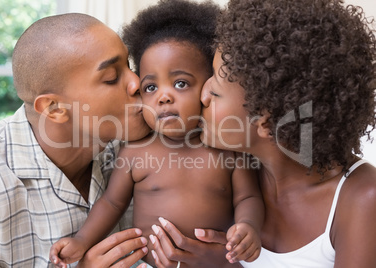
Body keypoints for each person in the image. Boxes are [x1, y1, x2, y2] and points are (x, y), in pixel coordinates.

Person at [49, 1, 264, 267]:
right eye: (150, 87)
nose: (163, 96)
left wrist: (247, 226)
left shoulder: (227, 148)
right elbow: (111, 204)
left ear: (208, 86)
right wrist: (82, 241)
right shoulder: (135, 150)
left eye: (181, 83)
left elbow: (248, 197)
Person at [195, 0, 376, 267]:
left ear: (266, 120)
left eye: (217, 90)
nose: (202, 94)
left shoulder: (360, 199)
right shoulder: (233, 172)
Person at [0, 13, 153, 267]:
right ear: (54, 107)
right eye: (112, 77)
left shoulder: (147, 141)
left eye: (130, 65)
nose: (137, 82)